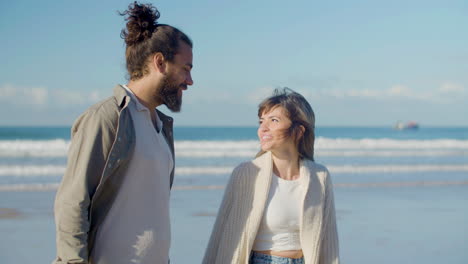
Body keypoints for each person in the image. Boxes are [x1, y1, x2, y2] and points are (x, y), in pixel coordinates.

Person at [53, 2, 193, 263]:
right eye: (185, 68)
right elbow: (72, 202)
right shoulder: (107, 118)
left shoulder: (162, 127)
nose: (190, 81)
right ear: (160, 62)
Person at [203, 88, 339, 264]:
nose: (263, 129)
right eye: (261, 121)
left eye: (274, 120)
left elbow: (329, 241)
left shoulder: (319, 176)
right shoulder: (246, 173)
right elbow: (222, 234)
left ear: (299, 131)